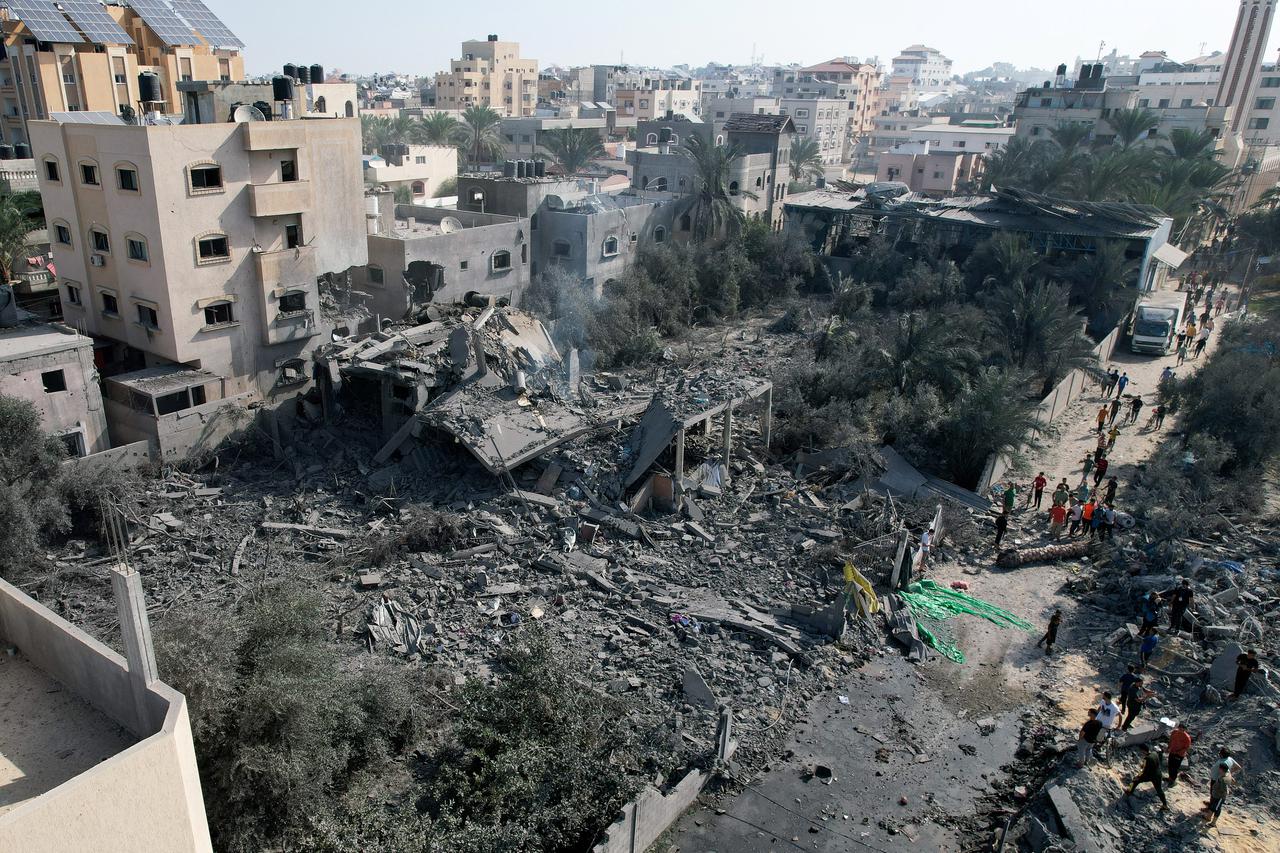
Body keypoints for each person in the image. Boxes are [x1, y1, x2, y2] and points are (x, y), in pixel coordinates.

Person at [1125, 743, 1169, 810]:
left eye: (1141, 751)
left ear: (1143, 751)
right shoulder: (1154, 753)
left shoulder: (1147, 759)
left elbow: (1144, 771)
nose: (1141, 753)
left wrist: (1138, 777)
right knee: (1159, 790)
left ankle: (1129, 792)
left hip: (1150, 775)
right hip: (1158, 774)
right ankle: (1165, 805)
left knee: (1135, 780)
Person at [1202, 748, 1239, 825]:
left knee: (1216, 803)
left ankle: (1212, 819)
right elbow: (1238, 767)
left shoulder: (1221, 767)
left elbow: (1224, 790)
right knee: (1214, 799)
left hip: (1217, 784)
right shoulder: (1229, 761)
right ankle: (1210, 811)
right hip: (1218, 781)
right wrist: (1230, 773)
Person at [1167, 723, 1192, 787]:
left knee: (1175, 768)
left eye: (1182, 729)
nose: (1180, 730)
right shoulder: (1174, 732)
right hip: (1172, 751)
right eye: (1179, 728)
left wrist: (1178, 751)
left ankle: (1173, 780)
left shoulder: (1187, 737)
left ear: (1184, 729)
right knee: (1170, 765)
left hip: (1179, 754)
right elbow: (1171, 740)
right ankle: (1170, 777)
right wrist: (1168, 747)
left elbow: (1186, 748)